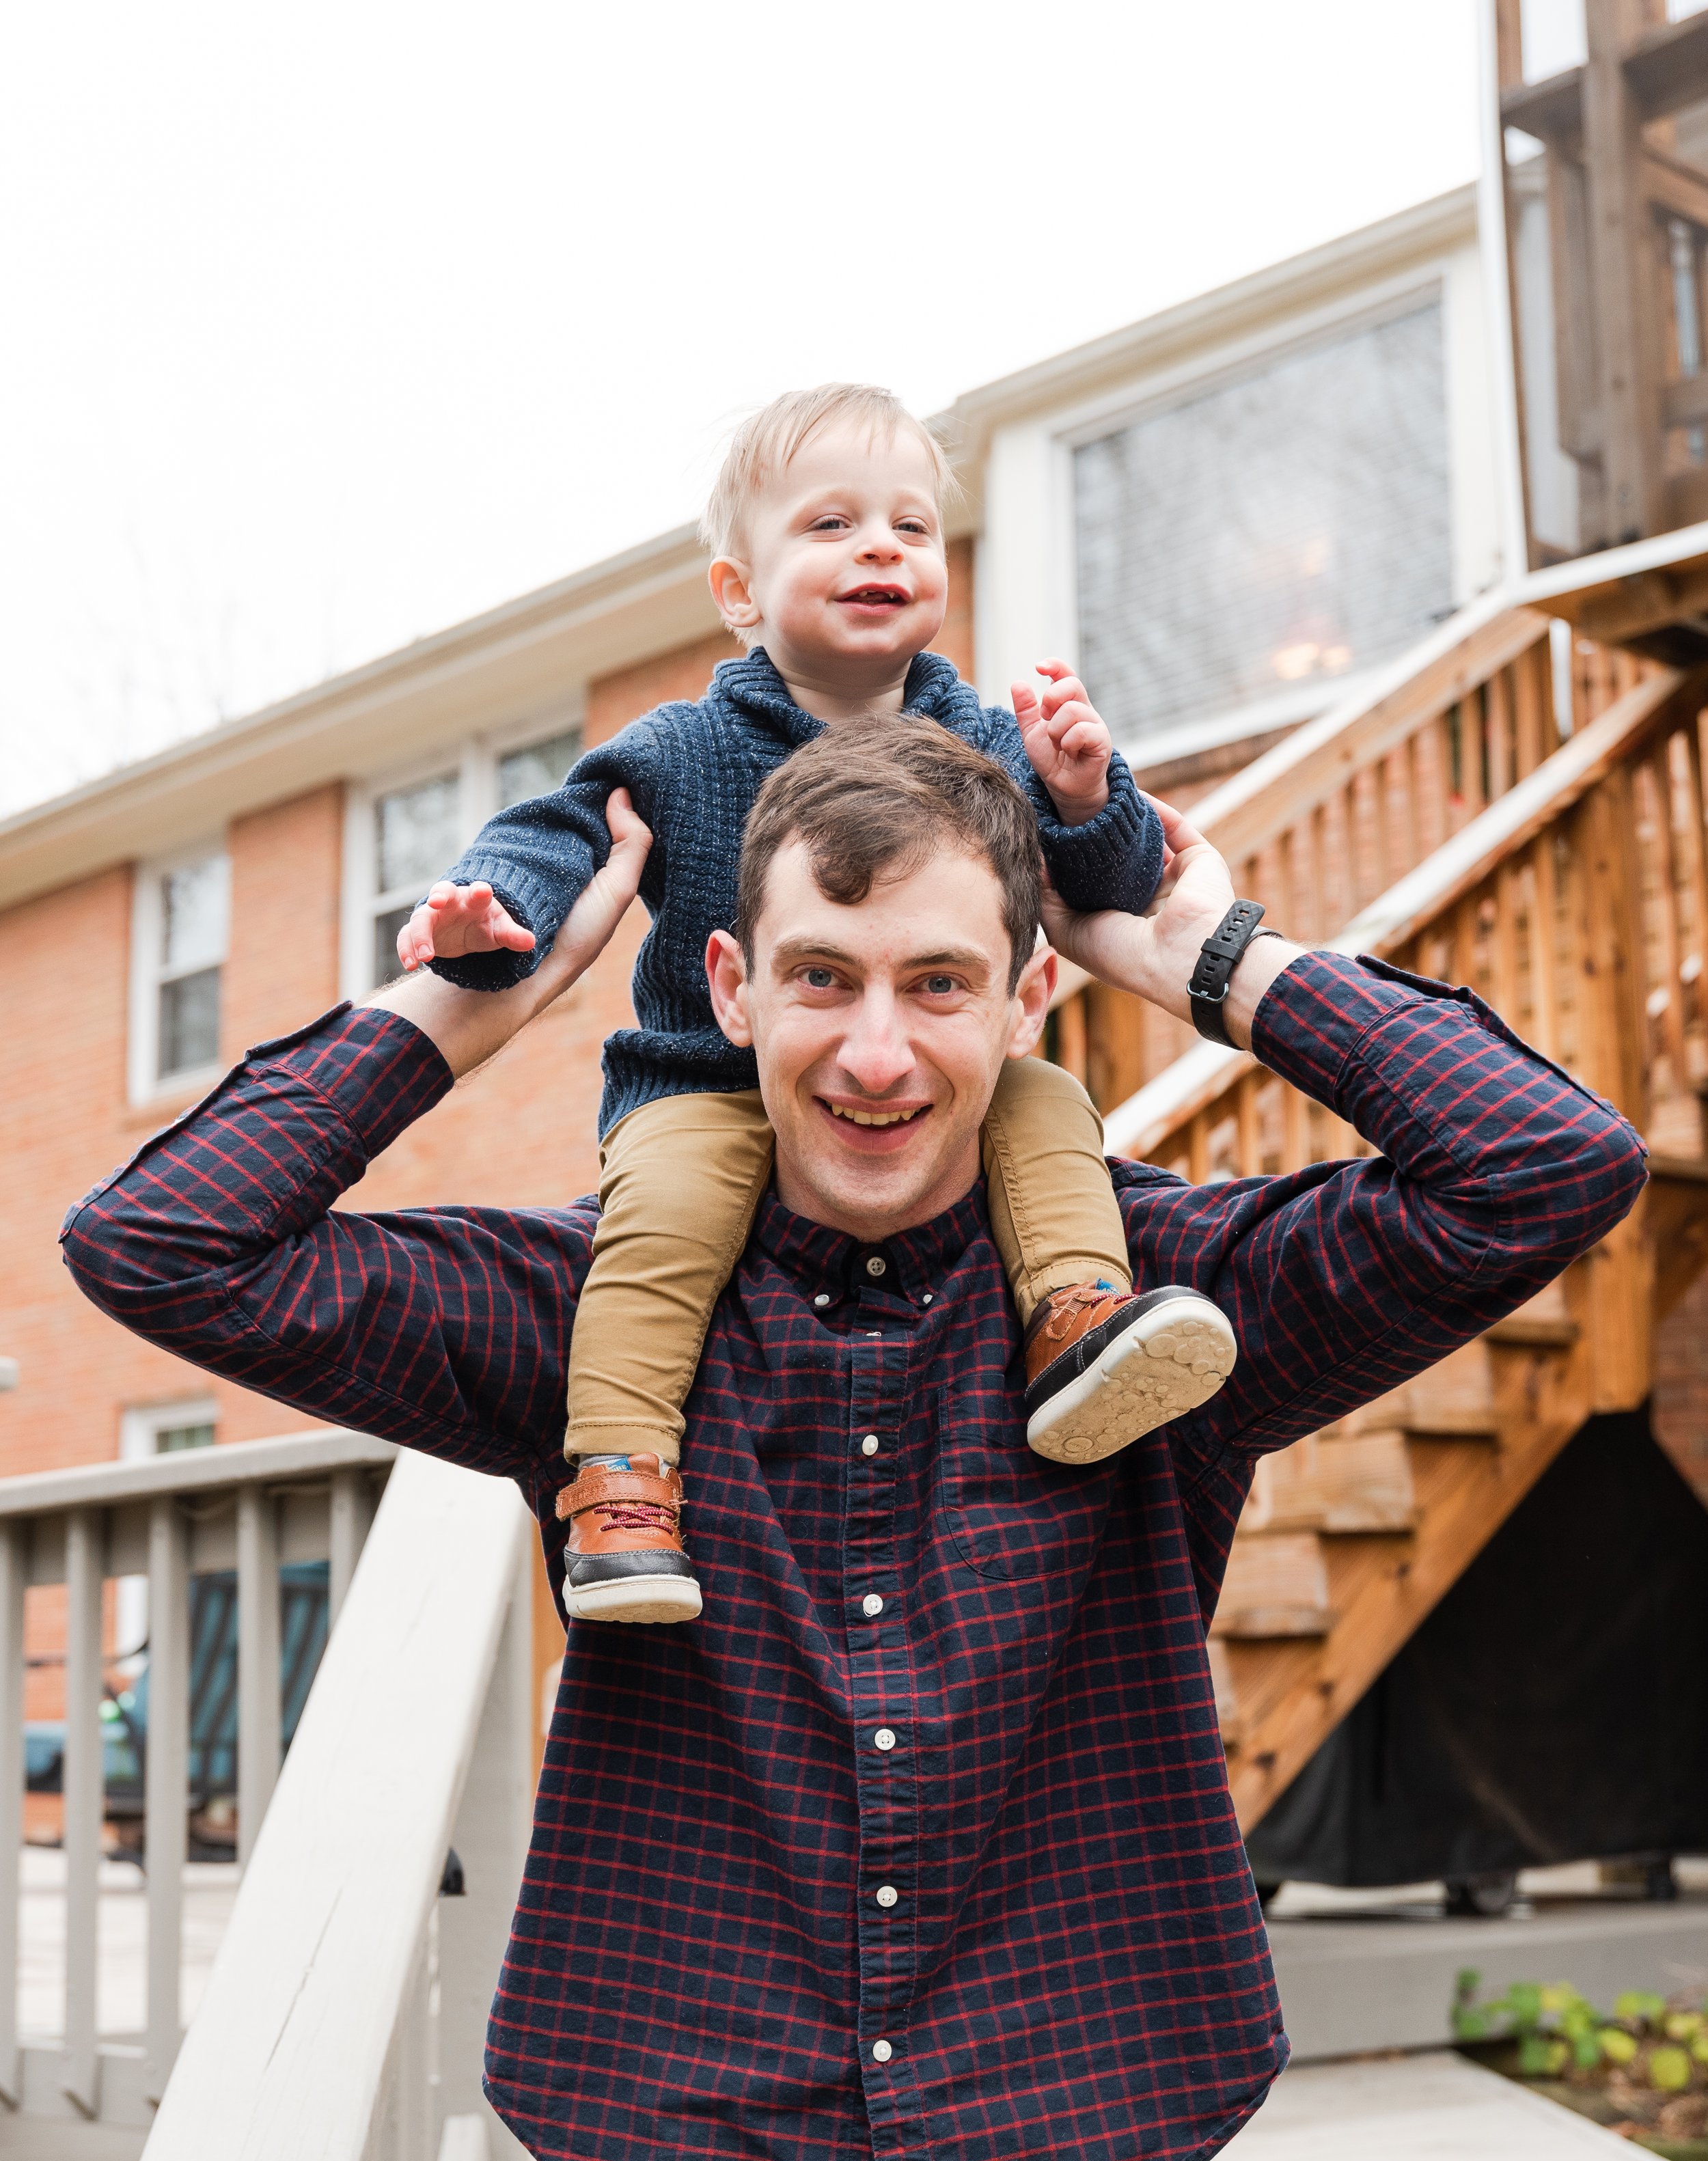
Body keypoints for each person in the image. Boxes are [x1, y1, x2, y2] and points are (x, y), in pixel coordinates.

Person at [63, 721, 1644, 2161]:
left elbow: (1545, 1164)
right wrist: (462, 1002)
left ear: (1029, 994)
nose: (876, 1052)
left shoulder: (1154, 1314)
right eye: (821, 978)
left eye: (938, 984)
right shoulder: (588, 1324)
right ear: (728, 986)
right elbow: (161, 1246)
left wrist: (1210, 954)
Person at [393, 383, 1234, 1627]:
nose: (883, 546)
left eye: (911, 525)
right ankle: (621, 1478)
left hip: (921, 1082)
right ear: (740, 589)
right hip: (704, 1079)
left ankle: (1074, 1319)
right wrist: (484, 923)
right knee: (661, 1225)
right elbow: (557, 838)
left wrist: (1084, 792)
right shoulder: (682, 746)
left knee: (1050, 1104)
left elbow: (1102, 890)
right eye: (833, 524)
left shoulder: (989, 740)